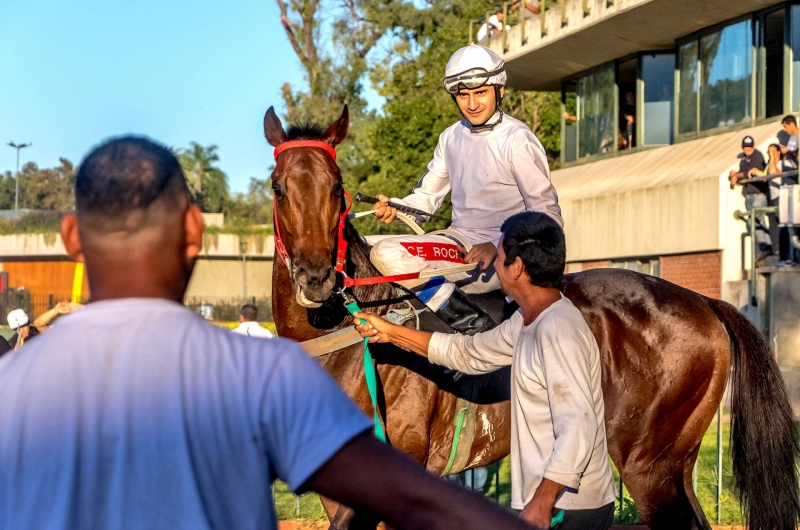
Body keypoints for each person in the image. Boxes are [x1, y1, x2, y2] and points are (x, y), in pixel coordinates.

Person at [0, 136, 536, 530]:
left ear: (70, 236)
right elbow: (412, 499)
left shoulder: (9, 386)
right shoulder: (266, 374)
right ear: (195, 229)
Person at [355, 211, 616, 530]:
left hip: (568, 508)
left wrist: (541, 502)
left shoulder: (558, 330)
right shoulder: (527, 320)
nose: (495, 265)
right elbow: (468, 352)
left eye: (500, 257)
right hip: (549, 502)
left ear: (517, 267)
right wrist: (391, 333)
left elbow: (579, 424)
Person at [370, 44, 562, 336]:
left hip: (502, 259)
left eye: (480, 93)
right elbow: (424, 201)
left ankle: (473, 325)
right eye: (463, 95)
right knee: (363, 246)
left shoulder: (518, 140)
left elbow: (548, 218)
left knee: (387, 253)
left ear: (499, 91)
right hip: (458, 245)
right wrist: (396, 207)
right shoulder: (450, 137)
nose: (472, 104)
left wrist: (498, 245)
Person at [729, 135, 771, 260]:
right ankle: (765, 247)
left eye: (749, 146)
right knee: (756, 221)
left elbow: (749, 173)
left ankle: (765, 247)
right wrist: (734, 176)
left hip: (758, 194)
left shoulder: (757, 156)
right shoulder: (743, 159)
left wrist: (737, 174)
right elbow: (742, 173)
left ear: (754, 145)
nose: (747, 149)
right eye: (745, 147)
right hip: (749, 195)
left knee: (755, 220)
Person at [747, 143, 783, 253]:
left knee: (783, 224)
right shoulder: (770, 164)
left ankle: (787, 251)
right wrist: (754, 171)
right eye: (768, 151)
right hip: (773, 197)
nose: (769, 153)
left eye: (772, 151)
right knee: (777, 224)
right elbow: (765, 176)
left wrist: (773, 157)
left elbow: (773, 172)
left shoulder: (782, 163)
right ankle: (779, 249)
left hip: (781, 196)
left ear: (778, 152)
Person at [780, 115, 799, 184]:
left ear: (792, 124)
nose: (784, 130)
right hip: (790, 167)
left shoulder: (798, 135)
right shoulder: (791, 137)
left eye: (785, 127)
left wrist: (788, 150)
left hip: (795, 166)